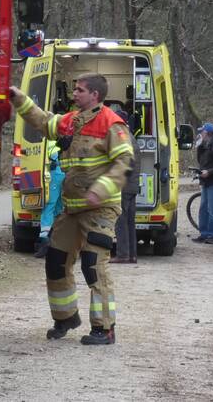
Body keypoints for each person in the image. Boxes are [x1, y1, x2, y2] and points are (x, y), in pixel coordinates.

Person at [9, 73, 134, 346]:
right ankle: (65, 318)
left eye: (80, 90)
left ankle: (104, 328)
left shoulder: (112, 124)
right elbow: (43, 121)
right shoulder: (70, 121)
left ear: (95, 95)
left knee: (93, 265)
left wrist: (99, 190)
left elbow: (124, 162)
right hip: (72, 209)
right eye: (75, 89)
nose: (74, 93)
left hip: (101, 209)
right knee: (56, 262)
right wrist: (19, 99)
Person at [110, 108, 140, 264]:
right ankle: (132, 255)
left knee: (121, 221)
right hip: (132, 185)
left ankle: (122, 254)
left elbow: (123, 162)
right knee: (129, 222)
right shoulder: (130, 136)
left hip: (124, 186)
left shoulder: (123, 138)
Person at [34, 142, 65, 259]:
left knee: (48, 207)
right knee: (58, 209)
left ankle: (44, 240)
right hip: (60, 173)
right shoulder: (56, 141)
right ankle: (57, 242)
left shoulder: (48, 141)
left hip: (54, 174)